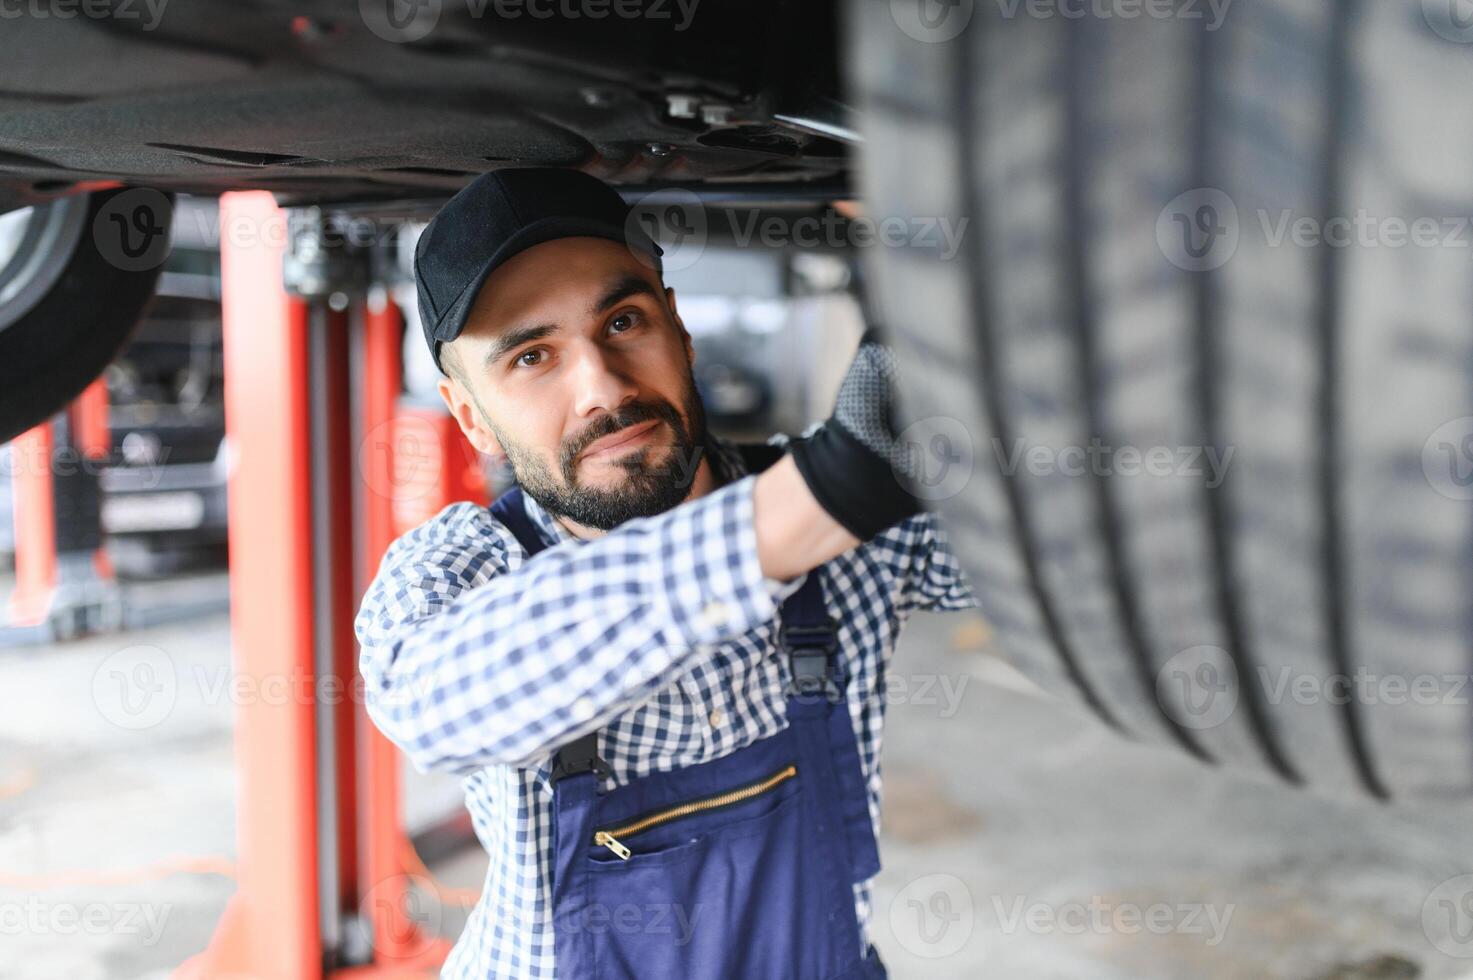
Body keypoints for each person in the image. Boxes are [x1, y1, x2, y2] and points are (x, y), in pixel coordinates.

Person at [354, 168, 977, 979]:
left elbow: (1082, 559)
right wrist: (814, 503)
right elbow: (433, 703)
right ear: (472, 415)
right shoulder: (464, 571)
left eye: (621, 321)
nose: (601, 388)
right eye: (532, 356)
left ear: (678, 330)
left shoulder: (859, 533)